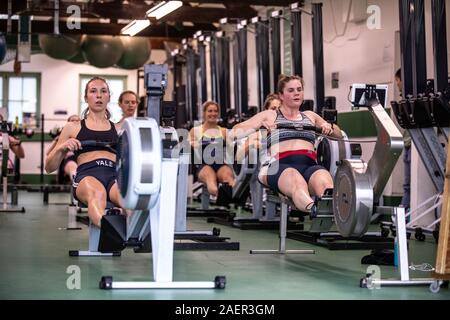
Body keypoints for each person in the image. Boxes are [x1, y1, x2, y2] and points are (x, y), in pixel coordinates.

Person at [230, 75, 342, 213]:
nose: (296, 93)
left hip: (309, 165)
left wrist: (328, 125)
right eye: (291, 90)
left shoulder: (311, 116)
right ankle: (313, 210)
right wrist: (259, 126)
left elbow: (339, 136)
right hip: (278, 165)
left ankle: (330, 210)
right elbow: (235, 131)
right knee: (295, 180)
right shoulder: (270, 115)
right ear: (281, 95)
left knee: (325, 182)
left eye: (299, 89)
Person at [45, 77, 120, 227]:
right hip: (87, 175)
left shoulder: (119, 129)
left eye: (103, 91)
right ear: (86, 98)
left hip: (113, 175)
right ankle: (110, 231)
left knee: (129, 200)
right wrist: (62, 147)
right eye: (93, 91)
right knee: (98, 194)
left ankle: (135, 235)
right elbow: (49, 168)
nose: (98, 95)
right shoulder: (73, 127)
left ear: (109, 97)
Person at [189, 101, 236, 197]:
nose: (213, 114)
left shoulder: (223, 131)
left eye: (215, 111)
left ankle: (233, 196)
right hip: (203, 166)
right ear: (204, 113)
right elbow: (188, 144)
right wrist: (193, 144)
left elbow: (234, 145)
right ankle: (220, 195)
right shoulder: (196, 131)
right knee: (211, 179)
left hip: (220, 165)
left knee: (229, 178)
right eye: (210, 111)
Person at [46, 115, 80, 183]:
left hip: (81, 158)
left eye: (77, 120)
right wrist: (57, 140)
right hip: (69, 160)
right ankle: (76, 180)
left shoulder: (83, 134)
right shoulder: (63, 136)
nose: (75, 122)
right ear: (68, 123)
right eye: (73, 120)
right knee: (72, 165)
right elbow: (48, 153)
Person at [395, 68, 410, 211]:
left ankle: (405, 215)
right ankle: (404, 215)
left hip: (413, 145)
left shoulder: (411, 99)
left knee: (408, 185)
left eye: (397, 81)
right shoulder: (404, 99)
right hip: (407, 144)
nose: (397, 84)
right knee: (407, 185)